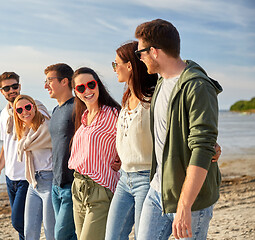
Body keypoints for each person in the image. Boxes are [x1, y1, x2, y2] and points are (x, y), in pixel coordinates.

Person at [134, 19, 222, 239]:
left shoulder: (197, 86)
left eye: (140, 53)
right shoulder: (162, 83)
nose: (140, 58)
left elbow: (201, 147)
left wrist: (184, 205)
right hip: (157, 191)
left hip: (192, 201)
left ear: (153, 51)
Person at [105, 41, 158, 240]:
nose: (114, 68)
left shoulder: (153, 98)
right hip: (124, 178)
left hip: (147, 178)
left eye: (115, 63)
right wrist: (121, 154)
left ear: (130, 66)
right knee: (112, 236)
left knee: (143, 237)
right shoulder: (127, 97)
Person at [68, 67, 121, 240]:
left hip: (100, 189)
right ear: (76, 92)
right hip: (77, 188)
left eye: (91, 84)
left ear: (98, 85)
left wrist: (122, 159)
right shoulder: (83, 117)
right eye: (81, 88)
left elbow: (132, 141)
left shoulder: (113, 114)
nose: (87, 90)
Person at [0, 72, 28, 240]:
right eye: (7, 88)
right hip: (10, 177)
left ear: (19, 86)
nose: (12, 90)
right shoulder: (3, 114)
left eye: (14, 86)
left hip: (26, 176)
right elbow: (6, 144)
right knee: (21, 228)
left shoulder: (28, 108)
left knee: (18, 222)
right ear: (1, 91)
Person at [13, 94, 55, 240]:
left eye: (28, 107)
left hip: (49, 180)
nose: (24, 112)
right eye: (19, 110)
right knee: (29, 230)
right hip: (33, 182)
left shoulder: (45, 126)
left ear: (34, 107)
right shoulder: (26, 131)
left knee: (51, 231)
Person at [44, 63, 77, 240]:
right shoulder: (56, 110)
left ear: (64, 81)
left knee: (61, 235)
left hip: (72, 184)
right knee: (69, 236)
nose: (46, 85)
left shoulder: (78, 107)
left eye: (49, 80)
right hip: (56, 183)